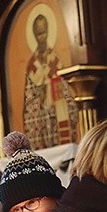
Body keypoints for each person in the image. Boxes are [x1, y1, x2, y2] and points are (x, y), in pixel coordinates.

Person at [23, 13, 77, 149]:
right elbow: (29, 99)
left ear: (48, 32)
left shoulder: (55, 61)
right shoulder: (32, 65)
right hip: (40, 119)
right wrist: (39, 99)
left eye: (44, 32)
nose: (42, 37)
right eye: (38, 34)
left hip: (56, 114)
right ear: (34, 35)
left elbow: (65, 89)